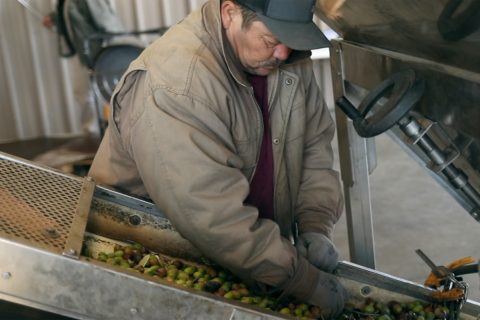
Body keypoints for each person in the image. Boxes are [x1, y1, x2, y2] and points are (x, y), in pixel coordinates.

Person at [89, 0, 347, 318]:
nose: (282, 53)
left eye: (290, 40)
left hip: (253, 262)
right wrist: (298, 277)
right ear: (230, 14)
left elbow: (313, 147)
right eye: (271, 40)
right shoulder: (177, 82)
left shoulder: (288, 57)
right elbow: (209, 211)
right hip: (155, 265)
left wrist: (316, 224)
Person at [42, 0, 125, 136]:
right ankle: (93, 133)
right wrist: (53, 18)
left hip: (98, 52)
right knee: (83, 92)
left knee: (99, 93)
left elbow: (108, 23)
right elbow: (70, 17)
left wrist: (116, 53)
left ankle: (97, 133)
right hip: (84, 52)